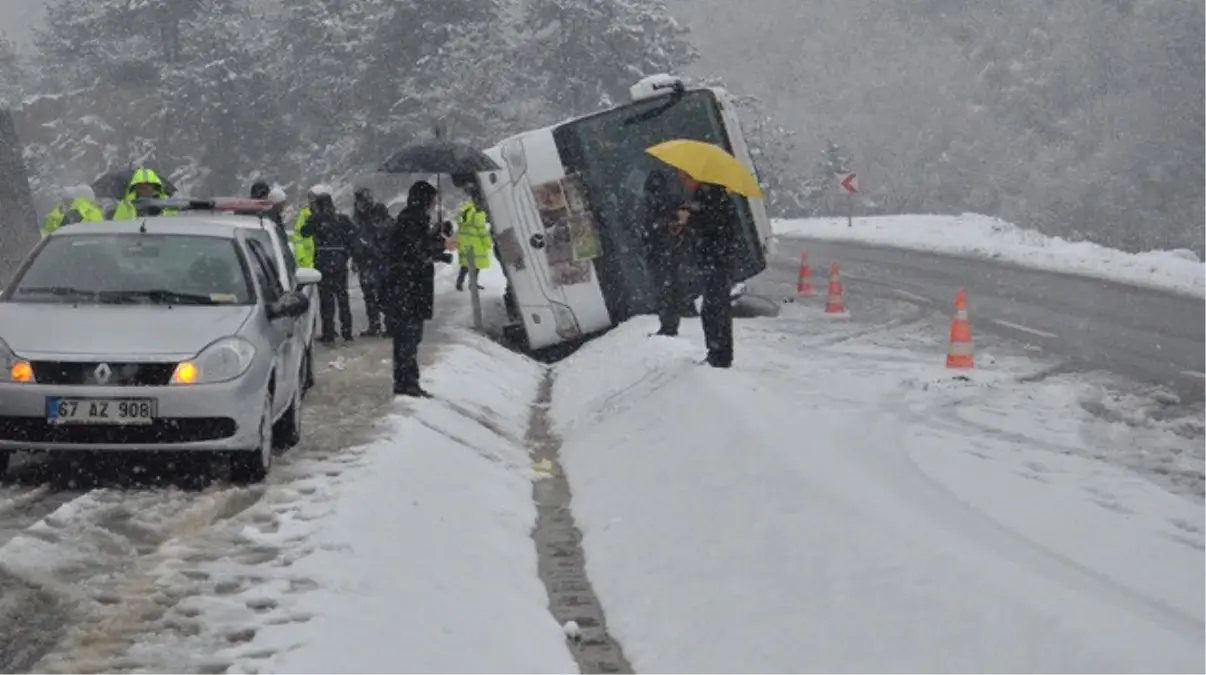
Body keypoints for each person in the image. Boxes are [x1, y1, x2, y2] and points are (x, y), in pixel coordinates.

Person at [382, 180, 452, 397]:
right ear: (424, 199)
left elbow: (418, 247)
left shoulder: (412, 219)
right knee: (408, 338)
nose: (434, 203)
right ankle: (406, 383)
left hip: (407, 288)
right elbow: (415, 252)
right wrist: (438, 248)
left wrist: (436, 235)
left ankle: (407, 381)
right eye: (432, 199)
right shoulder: (413, 220)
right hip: (408, 289)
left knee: (409, 338)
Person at [677, 169, 737, 368]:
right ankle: (717, 352)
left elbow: (714, 227)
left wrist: (692, 218)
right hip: (712, 259)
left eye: (685, 178)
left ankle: (719, 355)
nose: (683, 183)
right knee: (713, 308)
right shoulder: (705, 196)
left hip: (716, 260)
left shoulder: (713, 196)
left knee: (715, 309)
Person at [299, 190, 356, 343]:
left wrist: (313, 214)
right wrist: (349, 254)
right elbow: (353, 236)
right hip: (339, 261)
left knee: (326, 299)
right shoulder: (342, 219)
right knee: (343, 297)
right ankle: (347, 331)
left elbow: (304, 232)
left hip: (323, 262)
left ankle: (329, 332)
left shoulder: (316, 220)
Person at [641, 169, 690, 336]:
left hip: (662, 252)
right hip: (671, 252)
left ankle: (669, 325)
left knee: (665, 290)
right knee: (670, 288)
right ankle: (671, 321)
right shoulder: (673, 201)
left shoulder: (654, 204)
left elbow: (651, 227)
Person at [351, 187, 391, 336]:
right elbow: (355, 239)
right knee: (368, 295)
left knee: (384, 293)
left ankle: (390, 325)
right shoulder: (357, 218)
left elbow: (388, 230)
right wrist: (355, 258)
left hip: (381, 259)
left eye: (362, 202)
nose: (360, 206)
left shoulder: (379, 212)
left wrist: (376, 236)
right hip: (364, 261)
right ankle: (374, 325)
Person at [450, 174, 492, 292]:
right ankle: (473, 284)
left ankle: (460, 282)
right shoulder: (478, 212)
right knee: (476, 265)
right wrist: (488, 242)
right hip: (476, 243)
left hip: (464, 242)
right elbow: (481, 229)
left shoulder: (465, 209)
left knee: (465, 264)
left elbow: (461, 225)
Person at [110, 168, 177, 220]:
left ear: (154, 187)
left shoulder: (167, 204)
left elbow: (173, 226)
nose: (145, 189)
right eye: (141, 186)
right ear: (135, 187)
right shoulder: (126, 205)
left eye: (148, 185)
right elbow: (118, 228)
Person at [290, 186, 320, 268]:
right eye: (310, 198)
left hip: (324, 263)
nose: (311, 201)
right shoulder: (304, 215)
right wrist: (301, 257)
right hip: (307, 264)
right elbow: (297, 238)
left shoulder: (329, 216)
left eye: (314, 198)